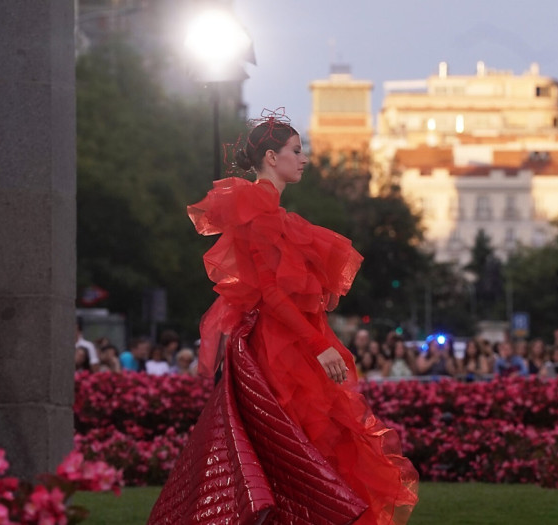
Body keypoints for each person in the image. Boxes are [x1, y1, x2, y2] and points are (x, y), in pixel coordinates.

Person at [150, 111, 417, 524]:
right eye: (296, 150)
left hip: (284, 341)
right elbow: (270, 291)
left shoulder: (269, 210)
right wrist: (319, 345)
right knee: (297, 446)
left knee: (291, 451)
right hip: (281, 348)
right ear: (271, 158)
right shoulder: (258, 206)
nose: (304, 158)